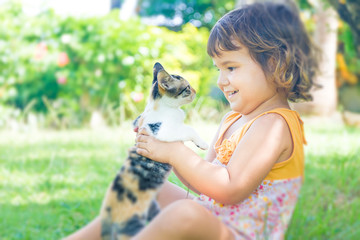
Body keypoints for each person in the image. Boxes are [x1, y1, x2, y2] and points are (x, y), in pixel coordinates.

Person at [64, 2, 319, 240]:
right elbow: (204, 185)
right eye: (218, 69)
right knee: (149, 188)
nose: (221, 80)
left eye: (230, 68)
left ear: (274, 63)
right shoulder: (232, 120)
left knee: (186, 213)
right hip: (216, 217)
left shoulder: (274, 124)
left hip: (241, 233)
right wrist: (165, 150)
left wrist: (175, 152)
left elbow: (229, 189)